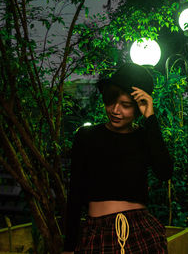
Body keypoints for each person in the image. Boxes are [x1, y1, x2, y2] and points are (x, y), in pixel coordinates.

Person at [62, 63, 174, 254]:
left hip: (140, 231)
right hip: (98, 233)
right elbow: (75, 193)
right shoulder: (87, 136)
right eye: (111, 101)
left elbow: (165, 172)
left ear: (138, 108)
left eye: (126, 105)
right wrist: (69, 247)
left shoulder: (144, 137)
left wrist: (150, 116)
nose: (115, 110)